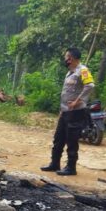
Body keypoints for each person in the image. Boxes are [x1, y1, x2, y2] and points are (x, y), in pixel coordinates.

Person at [40, 47, 94, 176]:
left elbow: (90, 85)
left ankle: (71, 167)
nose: (65, 60)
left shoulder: (83, 70)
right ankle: (54, 163)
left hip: (75, 112)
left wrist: (78, 101)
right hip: (65, 111)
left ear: (72, 58)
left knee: (71, 140)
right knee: (58, 138)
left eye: (67, 57)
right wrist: (62, 110)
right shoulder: (70, 72)